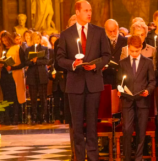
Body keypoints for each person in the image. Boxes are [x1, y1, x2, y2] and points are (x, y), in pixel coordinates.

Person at [57, 1, 111, 160]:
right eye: (86, 10)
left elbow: (107, 55)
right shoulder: (66, 34)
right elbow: (59, 59)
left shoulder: (99, 32)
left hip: (93, 83)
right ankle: (79, 157)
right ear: (77, 12)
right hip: (75, 85)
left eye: (90, 10)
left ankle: (93, 157)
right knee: (77, 126)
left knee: (93, 125)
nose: (89, 13)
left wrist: (95, 65)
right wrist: (72, 64)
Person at [117, 35, 156, 161]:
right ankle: (127, 157)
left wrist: (148, 90)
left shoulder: (148, 62)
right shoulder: (123, 63)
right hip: (127, 100)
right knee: (127, 129)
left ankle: (138, 157)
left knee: (141, 130)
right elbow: (119, 81)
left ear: (141, 48)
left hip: (142, 100)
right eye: (132, 51)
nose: (134, 53)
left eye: (137, 51)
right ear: (128, 48)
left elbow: (152, 81)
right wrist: (119, 90)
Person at [54, 14, 77, 161]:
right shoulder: (61, 41)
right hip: (70, 83)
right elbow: (57, 63)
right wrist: (72, 63)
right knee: (72, 120)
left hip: (88, 84)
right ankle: (74, 150)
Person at [0, 31, 26, 125]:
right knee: (6, 97)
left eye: (6, 40)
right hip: (4, 76)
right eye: (3, 41)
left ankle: (16, 117)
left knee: (15, 97)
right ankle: (7, 118)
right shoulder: (2, 49)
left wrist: (13, 67)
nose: (5, 42)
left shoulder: (17, 48)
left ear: (10, 39)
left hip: (14, 75)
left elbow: (24, 63)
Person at [25, 32, 49, 125]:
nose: (36, 41)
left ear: (40, 39)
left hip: (42, 75)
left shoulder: (45, 49)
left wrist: (37, 61)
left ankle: (43, 116)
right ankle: (34, 116)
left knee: (43, 97)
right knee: (33, 98)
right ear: (32, 40)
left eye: (38, 39)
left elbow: (46, 60)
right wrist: (32, 61)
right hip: (32, 76)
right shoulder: (28, 50)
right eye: (34, 39)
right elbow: (26, 62)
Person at [104, 19, 127, 89]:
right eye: (110, 31)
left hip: (121, 77)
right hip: (106, 77)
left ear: (118, 28)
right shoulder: (102, 42)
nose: (113, 34)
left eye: (114, 30)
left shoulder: (126, 41)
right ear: (105, 31)